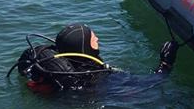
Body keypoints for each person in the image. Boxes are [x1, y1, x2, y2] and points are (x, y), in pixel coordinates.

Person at [11, 23, 178, 93]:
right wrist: (165, 65)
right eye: (93, 39)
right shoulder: (98, 77)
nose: (98, 40)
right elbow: (149, 85)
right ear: (84, 47)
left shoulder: (57, 73)